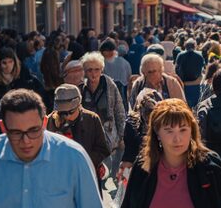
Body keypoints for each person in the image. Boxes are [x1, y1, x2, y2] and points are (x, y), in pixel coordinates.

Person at [48, 84, 110, 184]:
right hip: (59, 179)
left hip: (86, 177)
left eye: (70, 112)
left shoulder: (92, 119)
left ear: (79, 105)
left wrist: (82, 161)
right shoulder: (50, 121)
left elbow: (103, 150)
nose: (67, 116)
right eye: (62, 113)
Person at [79, 52, 125, 185]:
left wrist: (121, 136)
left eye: (97, 69)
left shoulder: (110, 86)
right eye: (90, 70)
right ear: (85, 71)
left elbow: (119, 112)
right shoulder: (81, 89)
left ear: (102, 69)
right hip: (89, 138)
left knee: (109, 175)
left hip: (109, 136)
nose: (93, 74)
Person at [121, 88, 163, 175]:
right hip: (140, 169)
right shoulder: (131, 126)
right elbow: (129, 156)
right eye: (146, 112)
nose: (149, 118)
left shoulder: (166, 125)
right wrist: (124, 174)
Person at [101, 39, 132, 106]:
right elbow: (129, 75)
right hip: (122, 89)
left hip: (106, 90)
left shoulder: (101, 63)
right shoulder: (123, 61)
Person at [176, 38, 206, 108]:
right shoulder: (199, 55)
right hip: (195, 84)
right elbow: (203, 68)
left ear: (185, 46)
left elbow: (176, 68)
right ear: (195, 46)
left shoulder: (180, 55)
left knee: (184, 105)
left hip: (183, 84)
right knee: (195, 105)